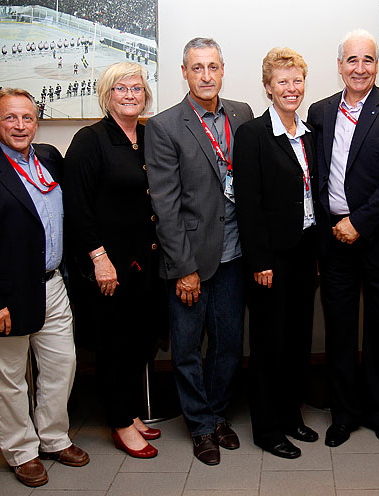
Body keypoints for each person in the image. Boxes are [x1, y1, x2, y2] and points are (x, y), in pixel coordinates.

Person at [0, 88, 89, 488]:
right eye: (10, 118)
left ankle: (54, 437)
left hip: (54, 284)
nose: (20, 125)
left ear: (36, 121)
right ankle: (22, 451)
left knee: (62, 366)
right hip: (6, 295)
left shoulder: (49, 159)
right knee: (10, 377)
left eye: (27, 117)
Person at [307, 29, 379, 448]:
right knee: (339, 331)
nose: (360, 68)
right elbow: (314, 174)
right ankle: (344, 414)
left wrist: (361, 221)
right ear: (339, 66)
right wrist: (332, 224)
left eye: (368, 60)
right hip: (335, 239)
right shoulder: (319, 112)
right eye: (352, 60)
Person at [145, 37, 253, 466]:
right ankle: (201, 426)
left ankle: (217, 413)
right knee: (187, 348)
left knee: (229, 345)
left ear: (223, 69)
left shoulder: (242, 114)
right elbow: (166, 205)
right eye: (197, 68)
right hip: (191, 259)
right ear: (184, 73)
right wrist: (183, 268)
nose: (206, 76)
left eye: (213, 67)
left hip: (236, 255)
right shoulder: (165, 126)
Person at [63, 62, 165, 459]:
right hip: (110, 266)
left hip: (146, 263)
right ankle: (121, 423)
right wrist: (99, 258)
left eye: (137, 89)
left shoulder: (146, 135)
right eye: (121, 89)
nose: (130, 95)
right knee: (114, 345)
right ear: (107, 95)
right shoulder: (90, 141)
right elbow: (78, 206)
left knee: (141, 339)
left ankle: (132, 413)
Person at [233, 47, 319, 460]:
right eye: (282, 81)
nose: (291, 88)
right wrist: (260, 261)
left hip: (304, 252)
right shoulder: (252, 135)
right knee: (269, 344)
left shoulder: (309, 132)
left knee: (298, 339)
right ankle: (267, 428)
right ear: (267, 87)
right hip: (271, 259)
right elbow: (248, 204)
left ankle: (291, 416)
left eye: (297, 79)